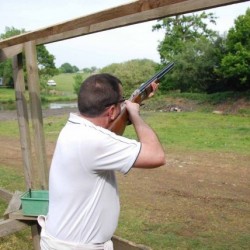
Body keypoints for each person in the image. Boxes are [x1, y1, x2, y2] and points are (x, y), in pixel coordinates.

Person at [38, 73, 166, 250]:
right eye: (122, 101)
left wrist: (131, 108)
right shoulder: (94, 140)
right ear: (112, 111)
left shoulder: (75, 128)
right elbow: (156, 155)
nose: (124, 104)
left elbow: (109, 132)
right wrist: (135, 115)